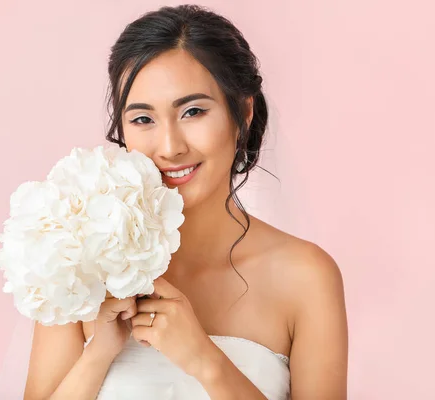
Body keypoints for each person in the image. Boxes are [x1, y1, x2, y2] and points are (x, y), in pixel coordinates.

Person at [22, 4, 348, 399]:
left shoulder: (306, 277)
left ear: (242, 113)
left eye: (193, 111)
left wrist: (203, 359)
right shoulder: (79, 260)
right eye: (143, 119)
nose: (170, 147)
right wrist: (101, 353)